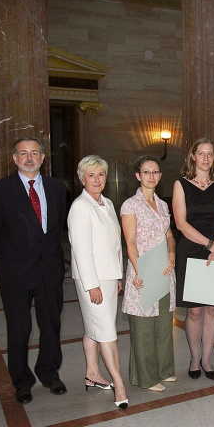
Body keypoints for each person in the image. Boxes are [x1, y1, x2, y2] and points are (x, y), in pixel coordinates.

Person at [0, 138, 68, 405]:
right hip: (15, 272)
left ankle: (49, 373)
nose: (29, 158)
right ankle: (21, 381)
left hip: (49, 270)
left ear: (43, 157)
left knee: (51, 326)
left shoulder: (57, 188)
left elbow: (58, 228)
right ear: (14, 158)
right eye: (23, 153)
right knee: (19, 330)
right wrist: (13, 257)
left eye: (34, 153)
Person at [68, 155, 128, 409]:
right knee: (106, 332)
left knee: (96, 328)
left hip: (108, 276)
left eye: (100, 174)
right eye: (90, 175)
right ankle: (119, 383)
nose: (96, 179)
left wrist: (117, 274)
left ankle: (92, 373)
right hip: (91, 279)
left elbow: (115, 242)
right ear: (82, 179)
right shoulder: (80, 207)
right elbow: (81, 250)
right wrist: (92, 284)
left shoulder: (107, 202)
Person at [172, 138, 214, 380]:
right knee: (195, 310)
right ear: (193, 156)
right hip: (191, 248)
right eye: (201, 153)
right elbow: (180, 223)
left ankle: (207, 359)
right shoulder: (181, 185)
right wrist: (208, 244)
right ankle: (194, 358)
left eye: (210, 154)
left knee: (213, 308)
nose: (206, 158)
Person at [121, 155, 177, 393]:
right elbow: (131, 242)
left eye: (155, 172)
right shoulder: (130, 205)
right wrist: (139, 269)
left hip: (163, 271)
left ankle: (164, 369)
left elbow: (169, 235)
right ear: (138, 176)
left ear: (160, 176)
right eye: (146, 172)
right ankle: (146, 376)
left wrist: (172, 253)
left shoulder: (163, 205)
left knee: (163, 324)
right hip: (142, 270)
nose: (151, 176)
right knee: (143, 326)